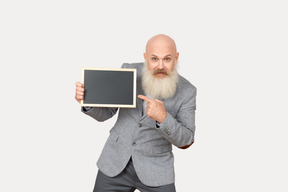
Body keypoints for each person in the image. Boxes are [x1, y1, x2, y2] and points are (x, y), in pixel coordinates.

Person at [75, 34, 197, 192]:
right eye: (154, 59)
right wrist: (87, 101)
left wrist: (164, 118)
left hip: (157, 169)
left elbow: (186, 140)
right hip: (115, 163)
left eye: (167, 59)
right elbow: (107, 113)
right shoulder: (129, 70)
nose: (160, 66)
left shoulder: (188, 91)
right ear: (145, 57)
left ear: (176, 57)